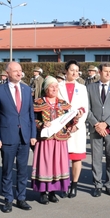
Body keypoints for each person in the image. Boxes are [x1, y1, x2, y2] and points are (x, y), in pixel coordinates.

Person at [0, 62, 37, 213]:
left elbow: (31, 115)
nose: (18, 73)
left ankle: (21, 198)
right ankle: (8, 199)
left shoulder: (27, 89)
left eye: (20, 71)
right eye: (15, 71)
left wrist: (33, 135)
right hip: (7, 138)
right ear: (7, 73)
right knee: (7, 170)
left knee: (23, 170)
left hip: (24, 137)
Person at [31, 76, 82, 204]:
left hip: (59, 140)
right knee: (45, 165)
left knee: (56, 166)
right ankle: (43, 192)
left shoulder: (63, 104)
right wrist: (41, 124)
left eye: (56, 86)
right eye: (51, 86)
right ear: (46, 88)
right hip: (45, 140)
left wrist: (76, 118)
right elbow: (32, 120)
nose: (54, 89)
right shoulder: (38, 102)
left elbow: (70, 122)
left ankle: (53, 192)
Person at [87, 63, 110, 197]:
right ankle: (97, 185)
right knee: (96, 158)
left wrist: (106, 124)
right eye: (106, 71)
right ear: (99, 72)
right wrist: (97, 124)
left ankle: (109, 184)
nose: (108, 74)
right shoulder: (90, 87)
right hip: (95, 128)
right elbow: (87, 108)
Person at [58, 60, 88, 198]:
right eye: (72, 70)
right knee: (62, 158)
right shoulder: (58, 86)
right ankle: (63, 185)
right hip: (62, 127)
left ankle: (74, 185)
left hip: (76, 129)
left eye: (77, 70)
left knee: (76, 158)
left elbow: (85, 108)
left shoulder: (82, 88)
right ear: (66, 71)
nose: (75, 73)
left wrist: (77, 125)